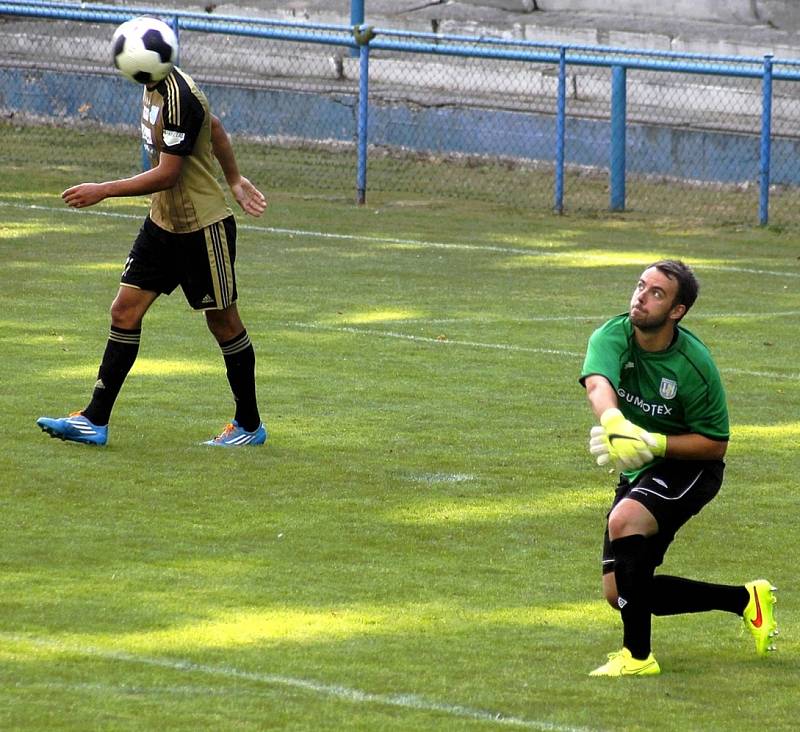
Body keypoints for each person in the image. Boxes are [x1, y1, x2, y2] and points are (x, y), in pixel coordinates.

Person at [37, 26, 268, 447]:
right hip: (162, 225)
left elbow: (168, 173)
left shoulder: (179, 97)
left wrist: (103, 189)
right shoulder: (156, 85)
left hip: (202, 229)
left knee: (223, 322)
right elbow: (214, 127)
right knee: (124, 311)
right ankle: (94, 420)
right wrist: (234, 177)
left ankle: (249, 425)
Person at [579, 259, 777, 676]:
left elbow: (715, 445)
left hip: (693, 468)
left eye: (657, 293)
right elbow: (599, 383)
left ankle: (637, 657)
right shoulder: (612, 335)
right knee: (621, 592)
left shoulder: (694, 366)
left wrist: (654, 442)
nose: (641, 297)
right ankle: (744, 601)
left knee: (625, 519)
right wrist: (614, 422)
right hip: (642, 469)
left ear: (676, 311)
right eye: (640, 286)